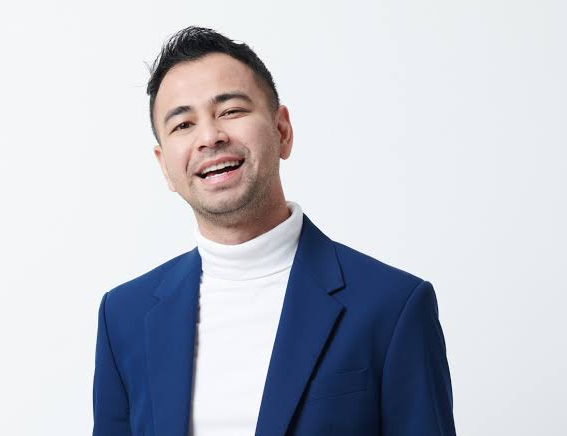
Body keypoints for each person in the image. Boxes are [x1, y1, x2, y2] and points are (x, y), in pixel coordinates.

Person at [92, 26, 456, 436]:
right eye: (183, 125)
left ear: (282, 131)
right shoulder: (124, 316)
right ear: (164, 166)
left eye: (231, 111)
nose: (210, 137)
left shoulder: (392, 306)